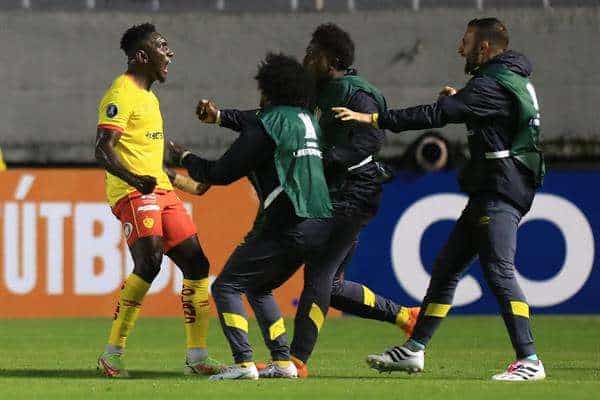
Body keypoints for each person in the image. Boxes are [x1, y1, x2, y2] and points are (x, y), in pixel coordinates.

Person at [332, 17, 546, 381]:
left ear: (484, 47)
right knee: (446, 270)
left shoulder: (489, 84)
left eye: (465, 41)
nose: (459, 48)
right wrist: (462, 103)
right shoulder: (509, 79)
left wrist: (372, 117)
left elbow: (433, 115)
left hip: (499, 189)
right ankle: (414, 349)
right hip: (492, 188)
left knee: (498, 271)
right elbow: (495, 122)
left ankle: (530, 359)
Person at [169, 53, 333, 380]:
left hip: (287, 218)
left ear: (268, 89)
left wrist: (184, 156)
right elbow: (252, 122)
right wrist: (220, 117)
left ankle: (244, 363)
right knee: (259, 287)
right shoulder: (306, 120)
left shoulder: (268, 123)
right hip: (320, 223)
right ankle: (283, 362)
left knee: (226, 287)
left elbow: (223, 172)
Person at [281, 23, 419, 377]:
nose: (305, 58)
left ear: (331, 61)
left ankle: (296, 360)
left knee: (319, 275)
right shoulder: (318, 92)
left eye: (312, 54)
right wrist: (223, 118)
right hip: (333, 194)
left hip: (354, 193)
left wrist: (322, 161)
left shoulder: (357, 94)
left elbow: (369, 142)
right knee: (335, 287)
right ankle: (407, 317)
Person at [94, 23, 223, 378]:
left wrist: (188, 184)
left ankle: (197, 357)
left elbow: (154, 160)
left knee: (198, 265)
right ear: (142, 56)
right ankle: (112, 353)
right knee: (149, 264)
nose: (171, 53)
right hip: (133, 193)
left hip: (159, 192)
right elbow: (102, 149)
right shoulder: (120, 94)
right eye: (163, 47)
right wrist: (136, 181)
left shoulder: (150, 98)